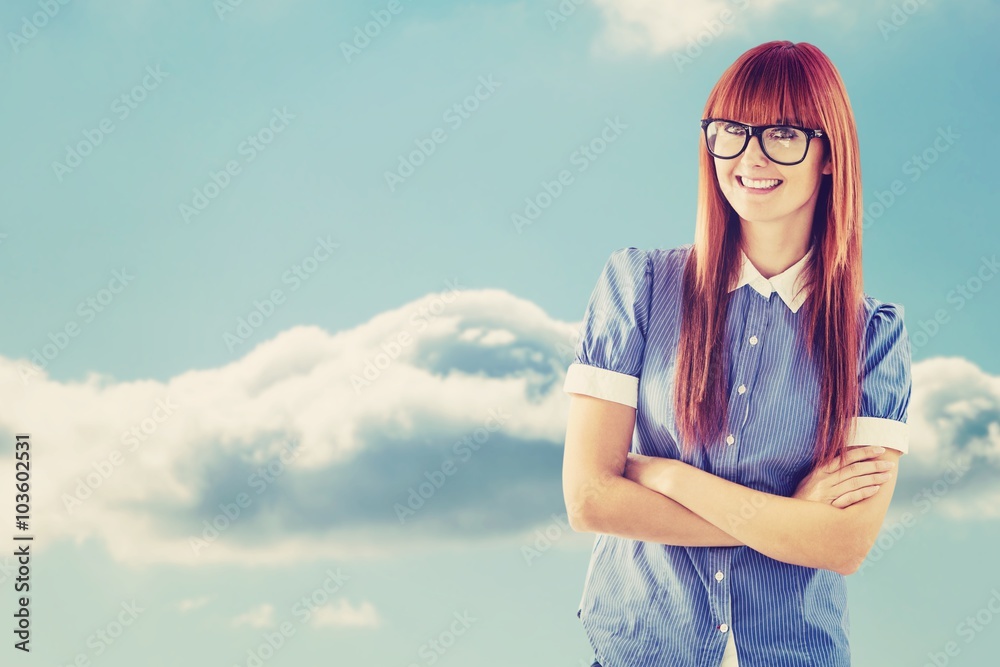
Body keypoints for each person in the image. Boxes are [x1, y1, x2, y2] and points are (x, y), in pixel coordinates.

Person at [561, 40, 912, 667]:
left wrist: (667, 477)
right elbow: (590, 500)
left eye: (780, 133)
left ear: (829, 154)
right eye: (730, 131)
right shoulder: (638, 286)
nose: (749, 156)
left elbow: (844, 544)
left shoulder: (873, 337)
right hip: (640, 648)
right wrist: (790, 526)